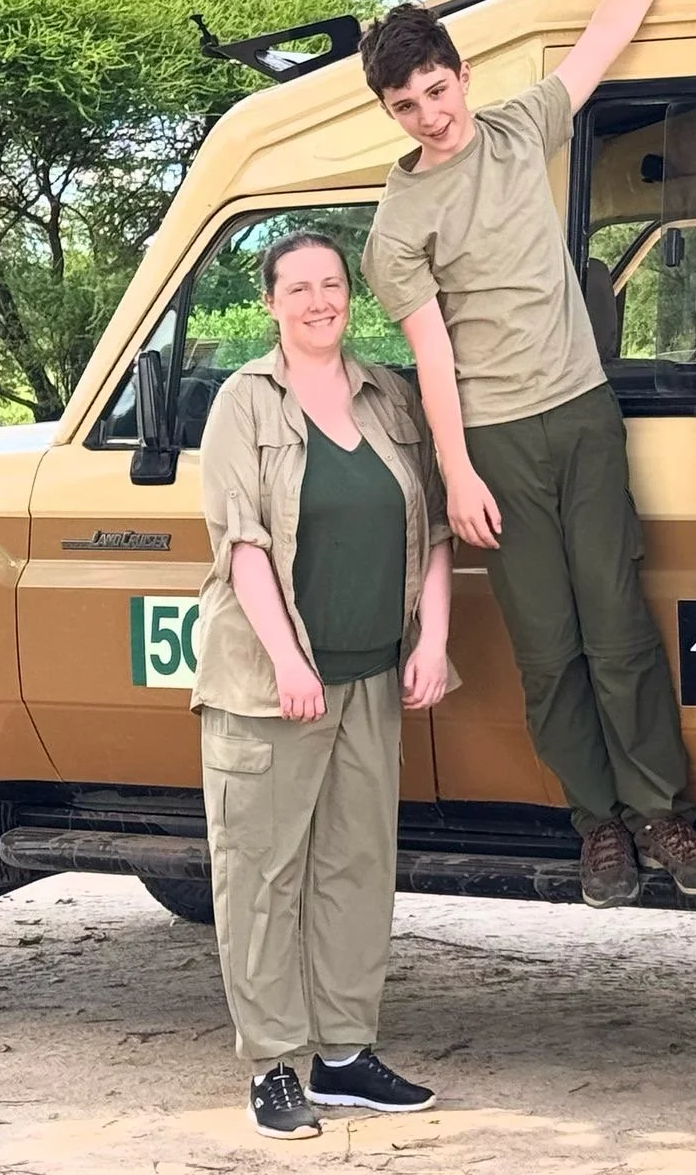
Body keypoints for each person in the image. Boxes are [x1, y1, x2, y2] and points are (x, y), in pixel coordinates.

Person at [360, 0, 696, 909]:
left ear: (461, 76)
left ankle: (662, 812)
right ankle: (597, 825)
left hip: (580, 415)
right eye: (406, 106)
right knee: (548, 645)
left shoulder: (521, 128)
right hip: (494, 439)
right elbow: (432, 356)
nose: (429, 115)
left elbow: (604, 37)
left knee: (618, 623)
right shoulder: (397, 224)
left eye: (436, 90)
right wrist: (459, 472)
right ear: (387, 112)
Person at [194, 231, 457, 1140]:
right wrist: (287, 658)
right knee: (262, 874)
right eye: (298, 288)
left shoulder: (388, 393)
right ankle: (272, 1063)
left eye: (333, 285)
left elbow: (433, 528)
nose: (319, 301)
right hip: (272, 684)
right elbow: (241, 544)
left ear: (354, 296)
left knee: (356, 869)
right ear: (270, 302)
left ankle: (344, 1056)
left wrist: (433, 644)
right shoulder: (243, 401)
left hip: (375, 673)